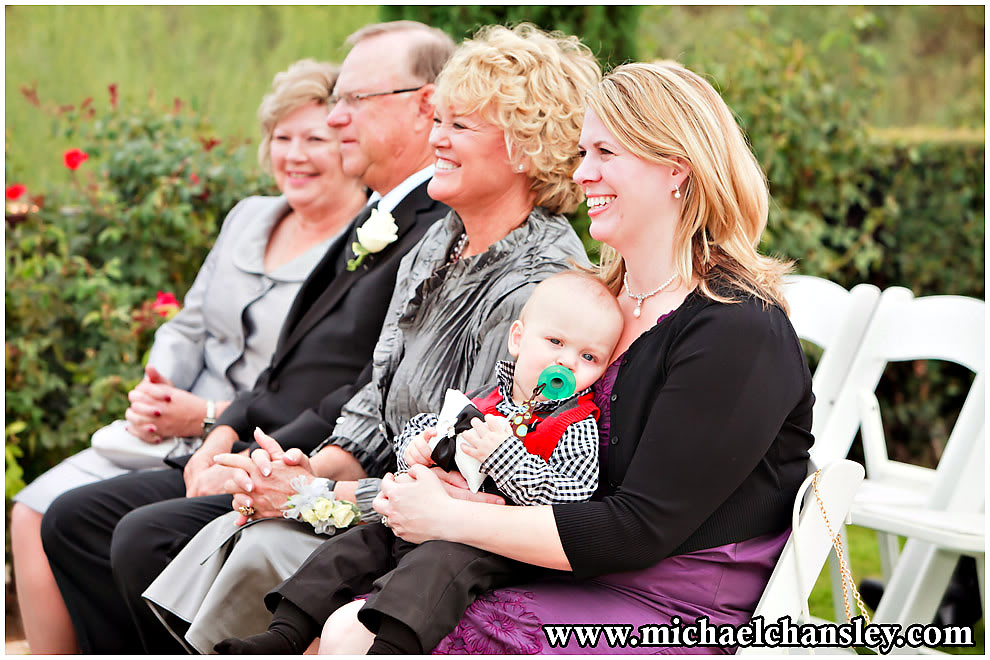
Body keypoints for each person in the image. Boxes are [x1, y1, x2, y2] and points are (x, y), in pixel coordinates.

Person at [322, 60, 816, 655]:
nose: (583, 174)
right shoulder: (597, 308)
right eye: (584, 153)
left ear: (675, 169)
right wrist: (458, 475)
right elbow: (531, 442)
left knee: (358, 632)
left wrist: (453, 519)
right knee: (337, 611)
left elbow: (637, 529)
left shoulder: (737, 329)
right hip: (563, 567)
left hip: (672, 607)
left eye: (606, 153)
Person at [138, 23, 600, 654]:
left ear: (525, 146)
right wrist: (304, 468)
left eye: (459, 126)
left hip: (447, 538)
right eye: (438, 119)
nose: (435, 139)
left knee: (238, 543)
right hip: (382, 502)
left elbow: (467, 473)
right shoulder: (440, 242)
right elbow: (372, 406)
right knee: (213, 530)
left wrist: (309, 497)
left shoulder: (540, 285)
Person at [40, 21, 454, 655]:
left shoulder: (437, 225)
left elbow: (370, 385)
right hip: (269, 438)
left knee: (136, 534)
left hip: (325, 460)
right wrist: (222, 431)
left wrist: (254, 454)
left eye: (352, 102)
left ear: (424, 104)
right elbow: (276, 362)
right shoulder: (381, 212)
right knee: (72, 518)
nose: (338, 119)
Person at [8, 58, 369, 655]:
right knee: (31, 510)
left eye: (315, 139)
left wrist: (205, 417)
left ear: (350, 145)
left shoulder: (361, 250)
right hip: (163, 430)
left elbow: (310, 387)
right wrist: (158, 386)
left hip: (244, 439)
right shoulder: (249, 216)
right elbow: (189, 322)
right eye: (282, 138)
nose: (295, 155)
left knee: (111, 527)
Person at [214, 271, 624, 655]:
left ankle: (390, 649)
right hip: (429, 521)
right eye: (555, 342)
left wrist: (506, 458)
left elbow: (572, 500)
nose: (567, 362)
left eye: (589, 356)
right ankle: (283, 635)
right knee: (354, 548)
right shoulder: (488, 398)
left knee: (436, 568)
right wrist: (418, 445)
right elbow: (428, 423)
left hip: (494, 545)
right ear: (518, 339)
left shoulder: (573, 424)